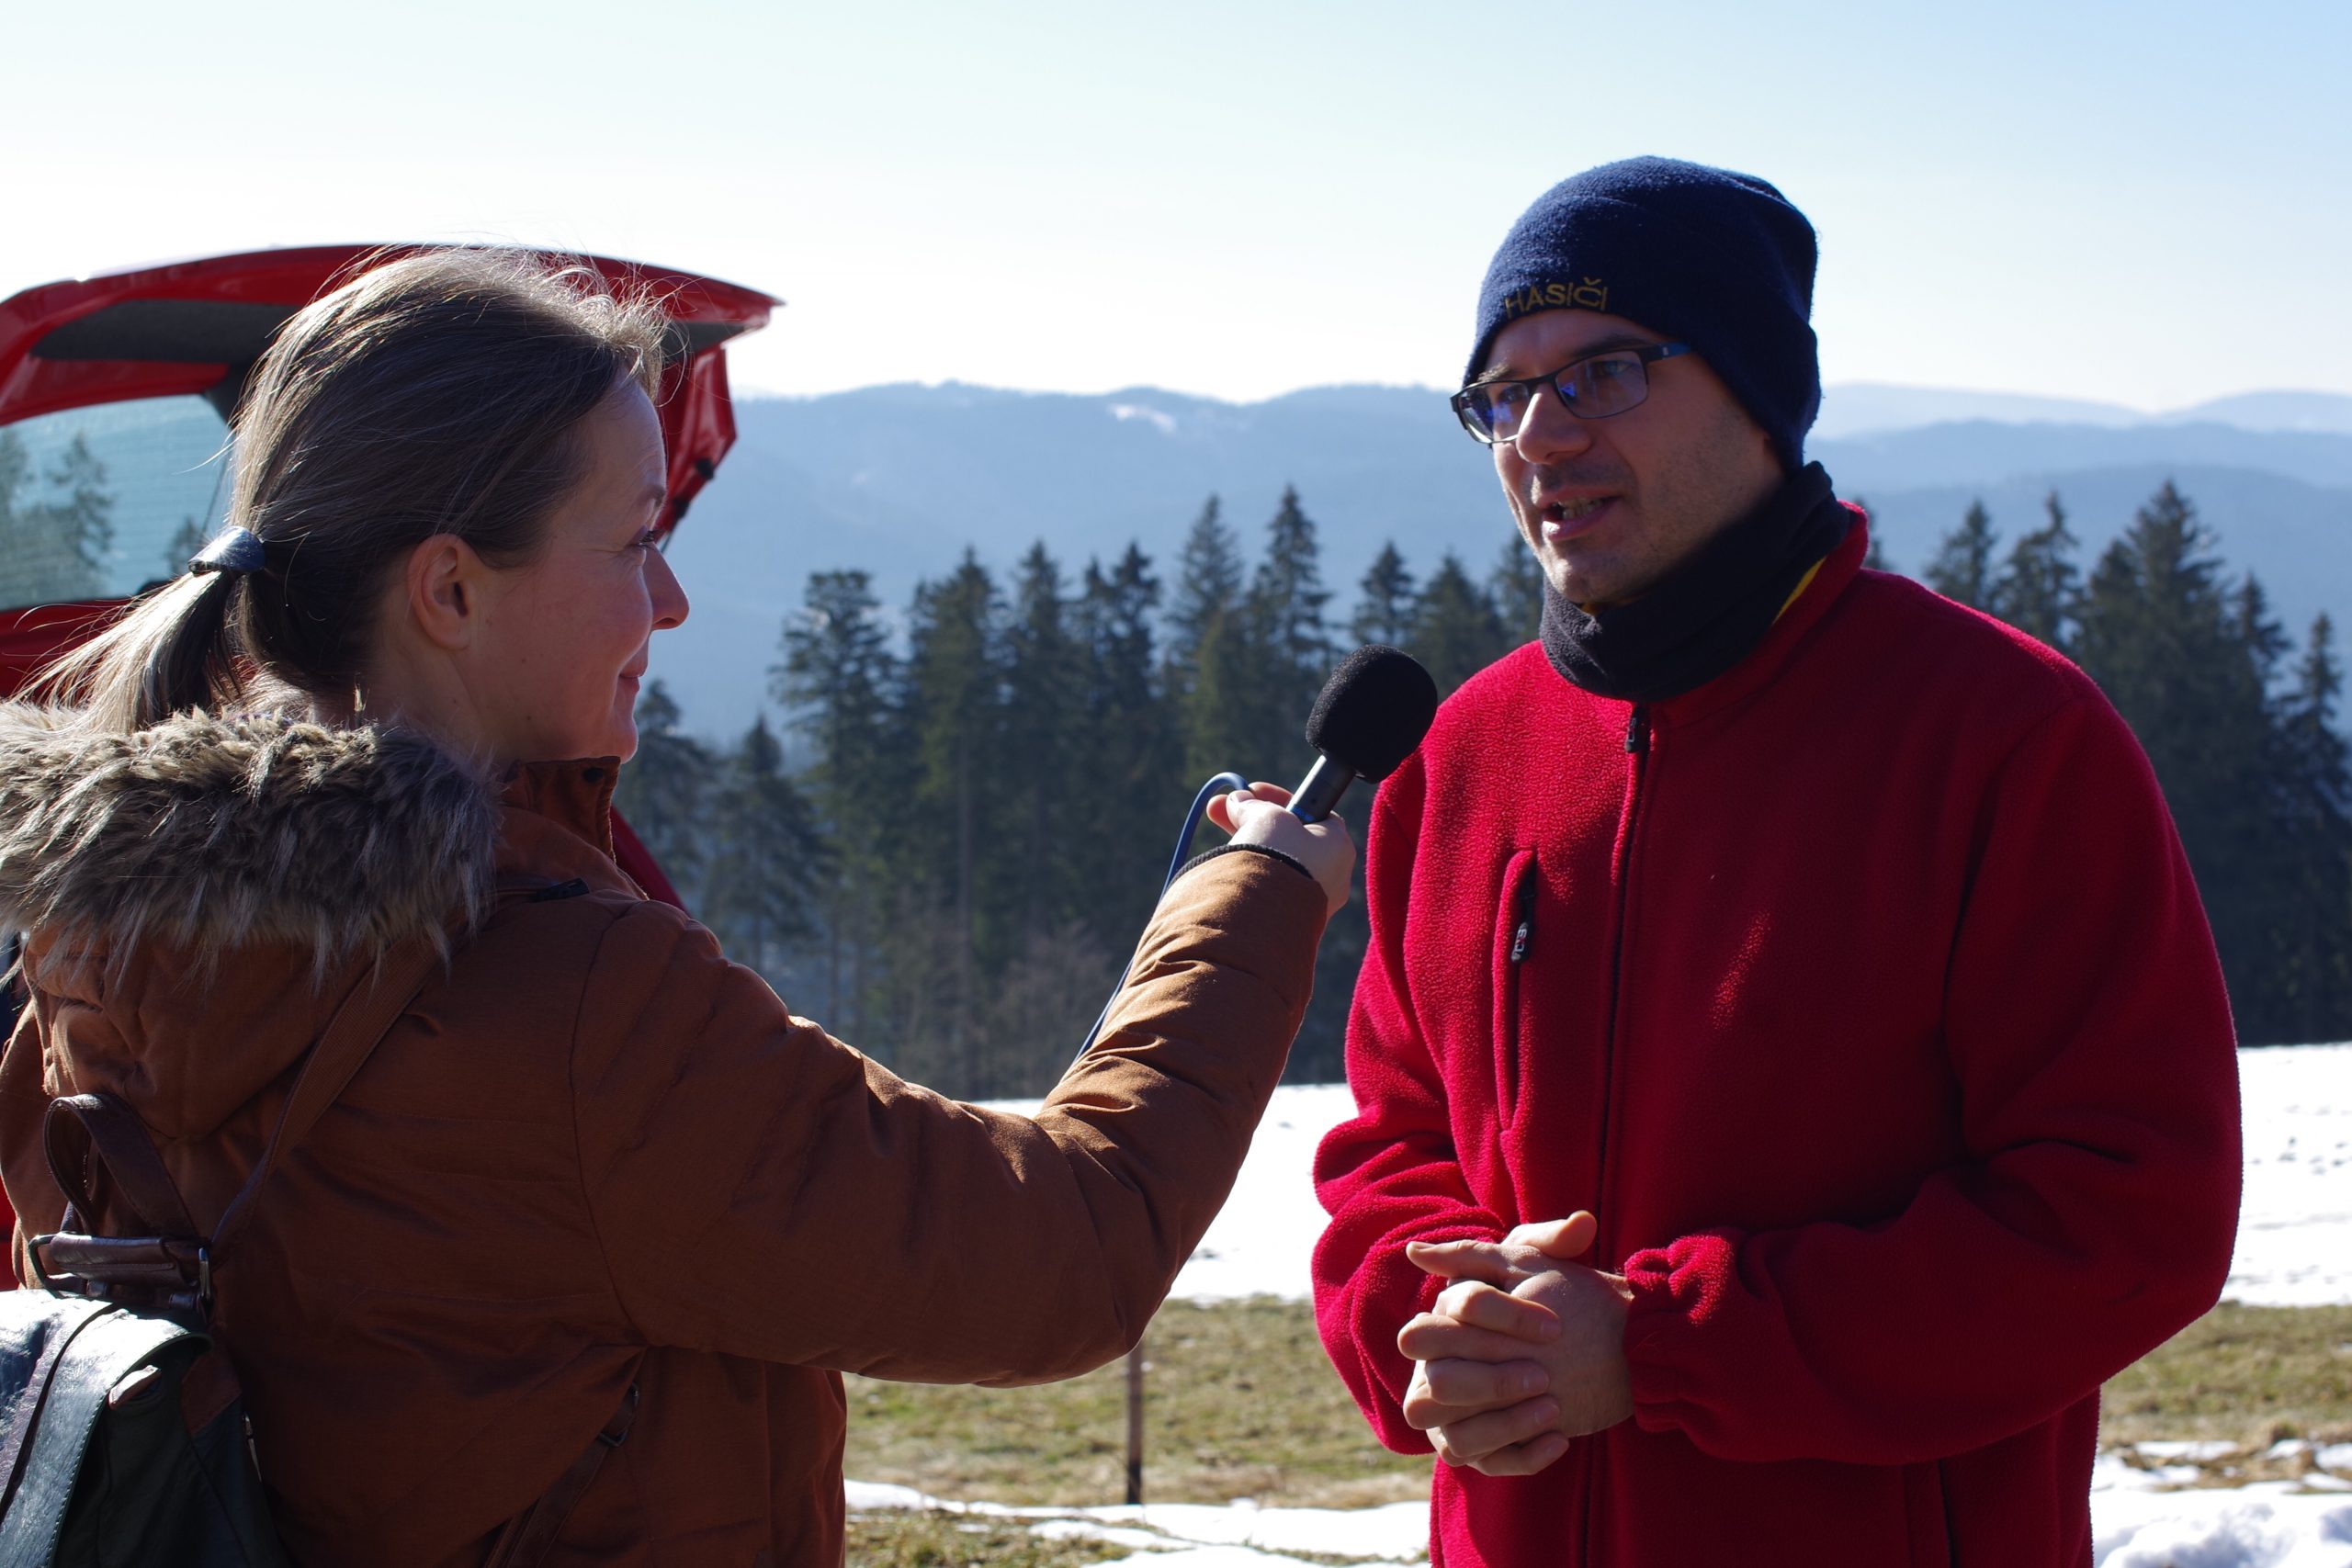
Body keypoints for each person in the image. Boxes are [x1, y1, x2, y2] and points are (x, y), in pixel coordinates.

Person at [0, 249, 1353, 1568]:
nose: (674, 595)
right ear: (451, 589)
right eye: (635, 539)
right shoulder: (569, 1003)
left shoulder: (93, 953)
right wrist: (1249, 901)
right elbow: (1067, 1254)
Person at [1311, 158, 2241, 1566]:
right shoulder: (1457, 763)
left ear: (1755, 389)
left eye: (1603, 373)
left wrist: (1667, 1348)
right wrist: (1427, 1329)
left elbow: (2131, 1209)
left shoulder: (2002, 737)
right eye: (1501, 395)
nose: (1539, 437)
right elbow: (1390, 1152)